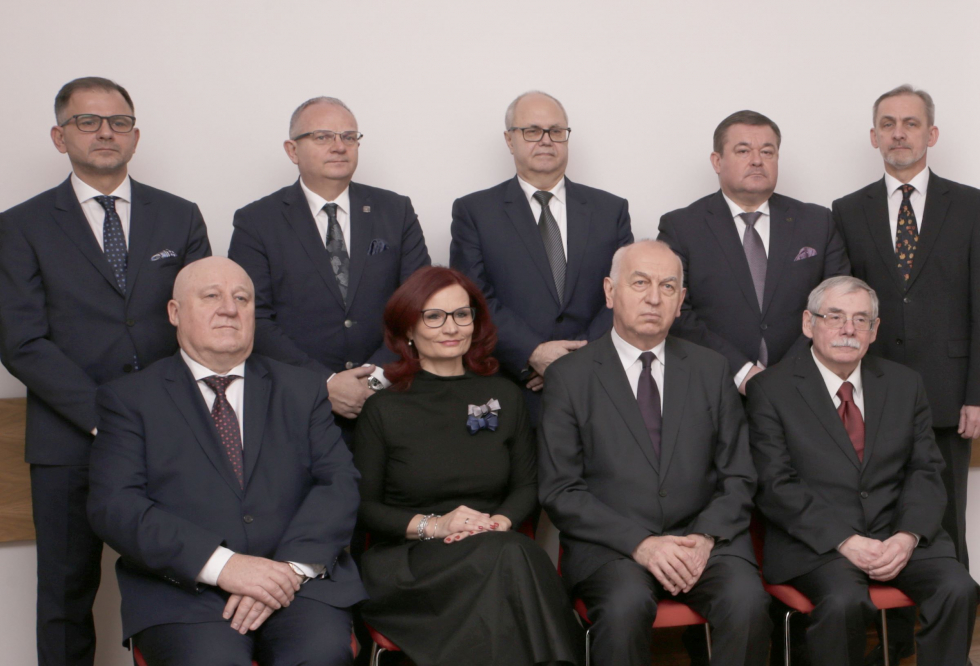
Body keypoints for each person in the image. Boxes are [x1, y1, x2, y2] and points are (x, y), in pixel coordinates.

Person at [0, 76, 211, 666]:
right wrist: (107, 417)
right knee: (66, 593)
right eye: (87, 122)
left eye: (118, 122)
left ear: (135, 136)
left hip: (172, 433)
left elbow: (203, 322)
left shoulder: (180, 215)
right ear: (59, 136)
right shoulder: (20, 226)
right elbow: (21, 341)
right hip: (68, 439)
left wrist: (160, 414)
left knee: (189, 577)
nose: (104, 133)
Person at [87, 257, 366, 666]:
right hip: (185, 591)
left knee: (320, 654)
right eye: (211, 296)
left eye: (242, 298)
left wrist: (288, 571)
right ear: (174, 312)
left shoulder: (303, 389)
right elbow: (116, 507)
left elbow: (338, 483)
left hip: (298, 583)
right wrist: (225, 566)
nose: (230, 309)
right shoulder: (128, 400)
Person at [538, 240, 771, 666]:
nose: (654, 298)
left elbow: (739, 475)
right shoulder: (569, 377)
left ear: (681, 302)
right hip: (612, 547)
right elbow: (561, 490)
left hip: (703, 540)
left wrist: (704, 538)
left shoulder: (711, 369)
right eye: (640, 282)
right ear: (610, 292)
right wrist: (641, 544)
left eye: (667, 287)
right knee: (624, 608)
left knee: (748, 603)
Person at [832, 84, 980, 664]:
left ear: (932, 133)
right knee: (880, 516)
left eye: (910, 123)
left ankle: (950, 642)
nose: (898, 133)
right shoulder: (848, 209)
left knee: (945, 521)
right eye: (887, 123)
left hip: (951, 395)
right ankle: (895, 641)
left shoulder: (970, 204)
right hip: (874, 394)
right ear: (873, 136)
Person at [353, 265, 583, 666]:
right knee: (511, 560)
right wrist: (437, 525)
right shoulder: (382, 408)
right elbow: (365, 508)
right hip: (412, 561)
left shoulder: (504, 395)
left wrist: (497, 523)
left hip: (495, 544)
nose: (451, 327)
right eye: (434, 316)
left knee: (506, 556)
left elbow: (527, 485)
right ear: (408, 328)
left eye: (462, 314)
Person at [746, 275, 980, 666]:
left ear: (874, 330)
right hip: (819, 544)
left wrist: (907, 536)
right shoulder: (771, 389)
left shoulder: (905, 384)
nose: (848, 329)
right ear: (808, 323)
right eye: (835, 316)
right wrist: (844, 541)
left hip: (896, 533)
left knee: (958, 588)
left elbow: (926, 470)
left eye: (861, 320)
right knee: (843, 601)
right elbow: (775, 484)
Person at [229, 96, 430, 431]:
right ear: (292, 150)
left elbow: (418, 304)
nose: (339, 146)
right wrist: (324, 384)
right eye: (322, 137)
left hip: (391, 400)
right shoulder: (257, 222)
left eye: (349, 137)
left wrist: (373, 381)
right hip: (295, 406)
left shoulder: (396, 211)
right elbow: (253, 317)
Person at [451, 90, 632, 422]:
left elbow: (624, 292)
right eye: (532, 131)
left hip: (596, 383)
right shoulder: (475, 212)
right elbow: (472, 297)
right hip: (510, 386)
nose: (546, 140)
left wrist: (575, 361)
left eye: (556, 131)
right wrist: (532, 353)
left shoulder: (610, 211)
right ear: (509, 140)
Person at [658, 110, 849, 395]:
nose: (757, 160)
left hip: (804, 386)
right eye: (743, 151)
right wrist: (741, 371)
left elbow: (839, 304)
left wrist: (790, 371)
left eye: (767, 152)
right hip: (712, 387)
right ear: (717, 161)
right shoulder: (681, 227)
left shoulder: (817, 222)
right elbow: (673, 309)